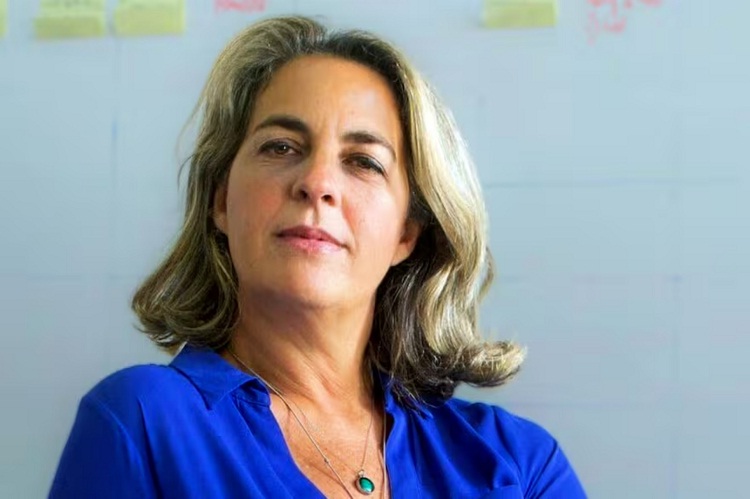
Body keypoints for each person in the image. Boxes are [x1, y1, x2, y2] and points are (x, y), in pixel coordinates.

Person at [49, 15, 586, 499]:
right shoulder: (142, 423)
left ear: (407, 232)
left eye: (363, 162)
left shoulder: (521, 465)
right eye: (281, 147)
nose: (317, 183)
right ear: (221, 201)